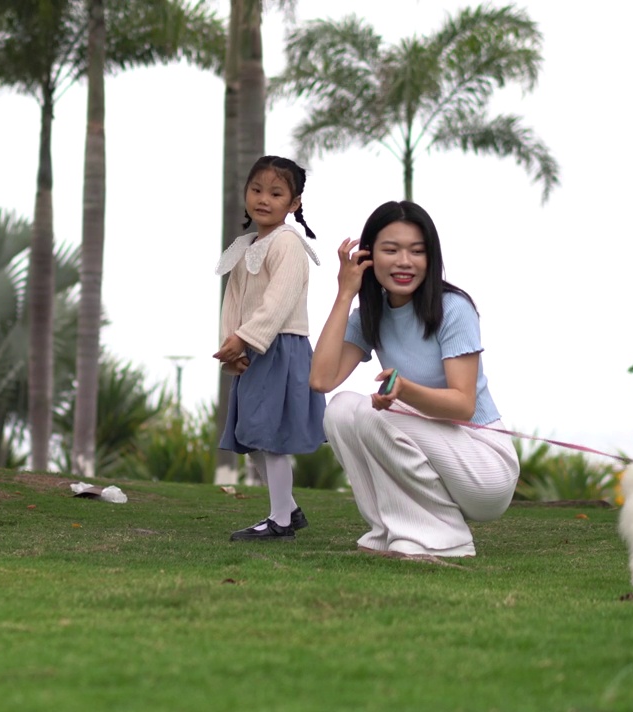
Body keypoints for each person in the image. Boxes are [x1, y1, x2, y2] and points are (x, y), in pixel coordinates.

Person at [308, 200, 519, 558]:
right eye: (391, 250)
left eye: (417, 252)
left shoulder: (453, 309)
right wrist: (345, 292)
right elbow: (321, 380)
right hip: (435, 447)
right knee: (341, 409)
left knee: (376, 413)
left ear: (430, 258)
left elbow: (464, 405)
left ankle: (447, 537)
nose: (404, 262)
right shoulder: (370, 316)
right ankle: (387, 530)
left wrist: (404, 391)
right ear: (369, 255)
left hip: (484, 464)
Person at [214, 155, 326, 541]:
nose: (264, 199)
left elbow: (277, 302)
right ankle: (289, 510)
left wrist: (246, 338)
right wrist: (231, 346)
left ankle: (280, 521)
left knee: (269, 436)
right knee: (252, 433)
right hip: (255, 350)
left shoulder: (288, 244)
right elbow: (234, 299)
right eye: (257, 190)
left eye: (276, 193)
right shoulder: (246, 246)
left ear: (293, 204)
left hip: (281, 349)